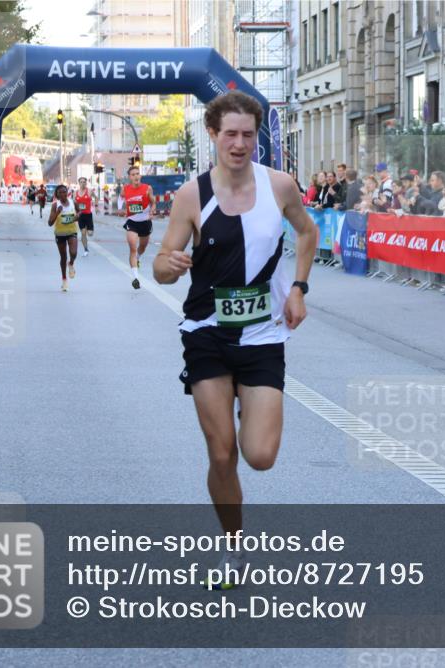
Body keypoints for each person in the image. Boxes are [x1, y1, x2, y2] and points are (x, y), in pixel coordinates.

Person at [152, 91, 319, 588]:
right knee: (222, 454)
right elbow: (161, 266)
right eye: (230, 134)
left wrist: (298, 288)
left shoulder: (281, 186)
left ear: (257, 136)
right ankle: (233, 545)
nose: (240, 143)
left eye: (248, 134)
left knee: (260, 457)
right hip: (207, 334)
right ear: (213, 135)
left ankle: (249, 403)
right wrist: (171, 264)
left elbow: (307, 234)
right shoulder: (191, 196)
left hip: (264, 334)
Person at [119, 165, 155, 289]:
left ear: (140, 176)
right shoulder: (125, 189)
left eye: (137, 174)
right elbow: (120, 198)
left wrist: (152, 212)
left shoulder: (147, 188)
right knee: (133, 248)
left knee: (143, 247)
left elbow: (153, 202)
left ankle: (138, 258)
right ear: (129, 177)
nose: (135, 176)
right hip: (132, 222)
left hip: (145, 222)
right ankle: (135, 278)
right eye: (133, 174)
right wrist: (120, 209)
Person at [47, 184, 79, 292]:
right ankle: (64, 280)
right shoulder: (55, 205)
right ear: (57, 194)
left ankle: (71, 264)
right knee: (63, 257)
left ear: (67, 192)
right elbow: (50, 223)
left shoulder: (73, 202)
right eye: (60, 192)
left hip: (72, 232)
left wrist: (77, 216)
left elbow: (79, 212)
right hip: (60, 234)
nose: (62, 194)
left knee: (73, 253)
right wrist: (57, 212)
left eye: (64, 192)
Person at [74, 177, 95, 256]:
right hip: (80, 215)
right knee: (83, 233)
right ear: (79, 183)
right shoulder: (75, 193)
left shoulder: (89, 191)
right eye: (81, 182)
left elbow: (96, 197)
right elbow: (74, 203)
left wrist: (96, 207)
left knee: (90, 234)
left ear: (86, 183)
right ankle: (86, 249)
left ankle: (87, 229)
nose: (83, 183)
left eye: (84, 182)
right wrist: (76, 212)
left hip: (88, 215)